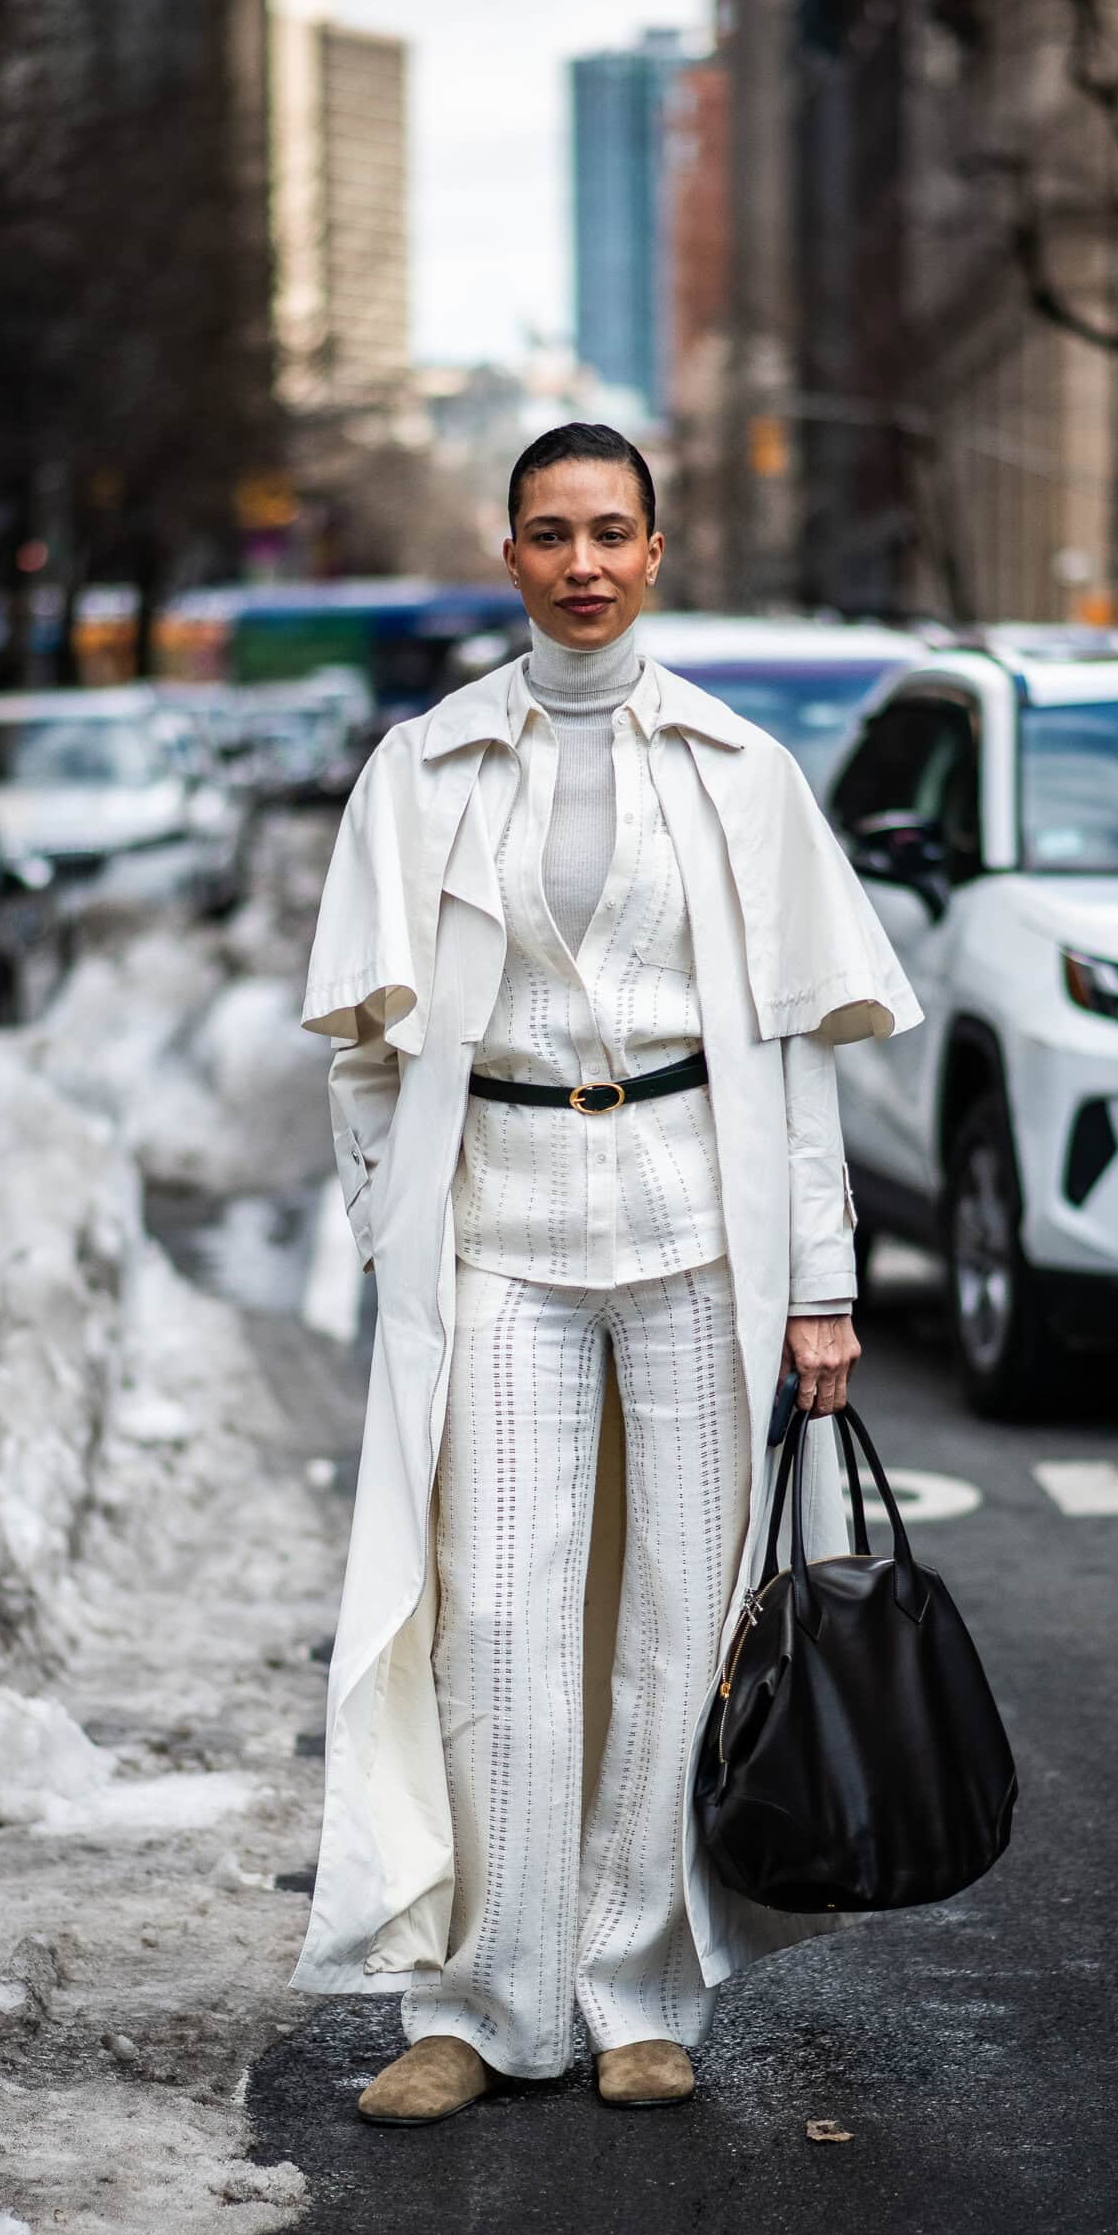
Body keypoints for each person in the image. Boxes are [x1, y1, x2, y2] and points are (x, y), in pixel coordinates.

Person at [293, 423, 922, 2124]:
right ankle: (482, 2003)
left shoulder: (738, 771)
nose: (582, 562)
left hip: (695, 1231)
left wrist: (822, 1284)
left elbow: (798, 1057)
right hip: (498, 1224)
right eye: (550, 533)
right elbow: (365, 1047)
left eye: (613, 533)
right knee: (494, 1614)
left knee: (679, 1623)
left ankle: (640, 1990)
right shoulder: (422, 769)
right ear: (509, 556)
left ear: (659, 552)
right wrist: (382, 1218)